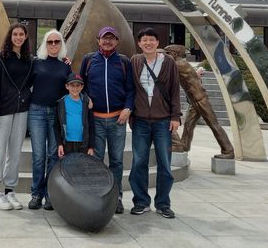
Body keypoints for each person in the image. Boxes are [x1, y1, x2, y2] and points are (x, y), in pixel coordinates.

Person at [79, 26, 135, 214]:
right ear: (98, 40)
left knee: (117, 161)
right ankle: (97, 195)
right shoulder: (89, 60)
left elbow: (131, 89)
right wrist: (87, 98)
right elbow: (81, 86)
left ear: (117, 42)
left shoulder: (124, 62)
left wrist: (128, 108)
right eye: (105, 38)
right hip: (96, 121)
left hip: (117, 121)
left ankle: (116, 197)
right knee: (96, 159)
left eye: (112, 38)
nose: (108, 41)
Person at [129, 28, 182, 219]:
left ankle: (163, 203)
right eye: (144, 40)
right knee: (139, 163)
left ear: (158, 43)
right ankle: (141, 202)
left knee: (165, 164)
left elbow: (175, 90)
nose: (148, 43)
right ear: (139, 43)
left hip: (163, 120)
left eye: (151, 40)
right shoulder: (135, 61)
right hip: (141, 120)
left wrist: (175, 116)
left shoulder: (168, 62)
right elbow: (131, 88)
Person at [0, 22, 34, 211]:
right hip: (3, 110)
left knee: (14, 152)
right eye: (15, 34)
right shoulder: (0, 59)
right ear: (10, 36)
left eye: (22, 34)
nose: (18, 37)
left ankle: (9, 190)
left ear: (25, 37)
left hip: (21, 110)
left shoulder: (29, 60)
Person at [164, 45, 235, 159]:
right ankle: (183, 146)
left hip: (200, 99)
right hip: (195, 100)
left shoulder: (178, 64)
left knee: (214, 124)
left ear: (175, 54)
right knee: (188, 124)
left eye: (168, 53)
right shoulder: (180, 63)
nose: (165, 56)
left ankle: (228, 150)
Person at [27, 29, 71, 210]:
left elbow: (73, 89)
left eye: (57, 42)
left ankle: (50, 194)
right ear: (45, 44)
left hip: (56, 115)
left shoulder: (66, 66)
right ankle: (36, 194)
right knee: (39, 156)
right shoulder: (36, 63)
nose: (54, 45)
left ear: (61, 44)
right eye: (50, 42)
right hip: (36, 112)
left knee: (54, 156)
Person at [54, 73, 95, 158]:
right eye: (72, 85)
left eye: (78, 85)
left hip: (83, 144)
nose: (75, 88)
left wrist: (91, 146)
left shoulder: (86, 103)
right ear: (67, 86)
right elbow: (56, 125)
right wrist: (59, 144)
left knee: (82, 169)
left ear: (82, 87)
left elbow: (91, 125)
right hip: (67, 144)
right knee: (68, 168)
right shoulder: (61, 103)